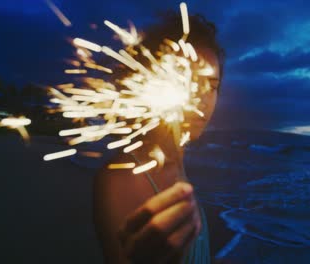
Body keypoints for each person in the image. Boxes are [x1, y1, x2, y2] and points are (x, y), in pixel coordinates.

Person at [93, 11, 224, 264]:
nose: (203, 98)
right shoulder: (123, 180)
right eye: (188, 80)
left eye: (212, 84)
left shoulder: (177, 164)